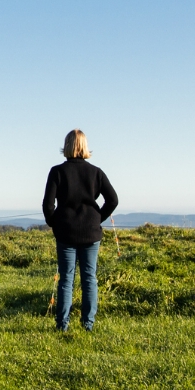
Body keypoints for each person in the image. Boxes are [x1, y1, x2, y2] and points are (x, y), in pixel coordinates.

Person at [41, 129, 118, 332]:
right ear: (85, 146)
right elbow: (113, 200)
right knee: (89, 278)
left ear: (66, 146)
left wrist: (54, 223)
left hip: (65, 232)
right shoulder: (96, 172)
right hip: (91, 232)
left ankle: (62, 325)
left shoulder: (57, 172)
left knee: (66, 279)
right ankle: (88, 325)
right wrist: (97, 218)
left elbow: (48, 205)